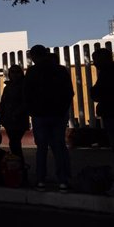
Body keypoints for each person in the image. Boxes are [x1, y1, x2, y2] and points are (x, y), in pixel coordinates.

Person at [23, 45, 74, 193]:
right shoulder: (60, 70)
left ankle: (41, 181)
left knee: (42, 149)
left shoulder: (32, 71)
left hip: (40, 115)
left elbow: (26, 94)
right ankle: (63, 181)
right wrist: (63, 111)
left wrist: (32, 111)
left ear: (33, 56)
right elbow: (68, 92)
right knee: (59, 147)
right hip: (58, 115)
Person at [90, 48, 114, 196]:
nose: (94, 64)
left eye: (95, 60)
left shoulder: (107, 73)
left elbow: (97, 92)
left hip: (113, 115)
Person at [0, 64, 30, 185]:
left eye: (17, 72)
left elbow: (26, 102)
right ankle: (17, 170)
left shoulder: (24, 86)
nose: (15, 74)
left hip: (18, 120)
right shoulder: (8, 87)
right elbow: (2, 103)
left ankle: (20, 171)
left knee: (15, 145)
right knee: (14, 145)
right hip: (8, 120)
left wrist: (16, 113)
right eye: (12, 72)